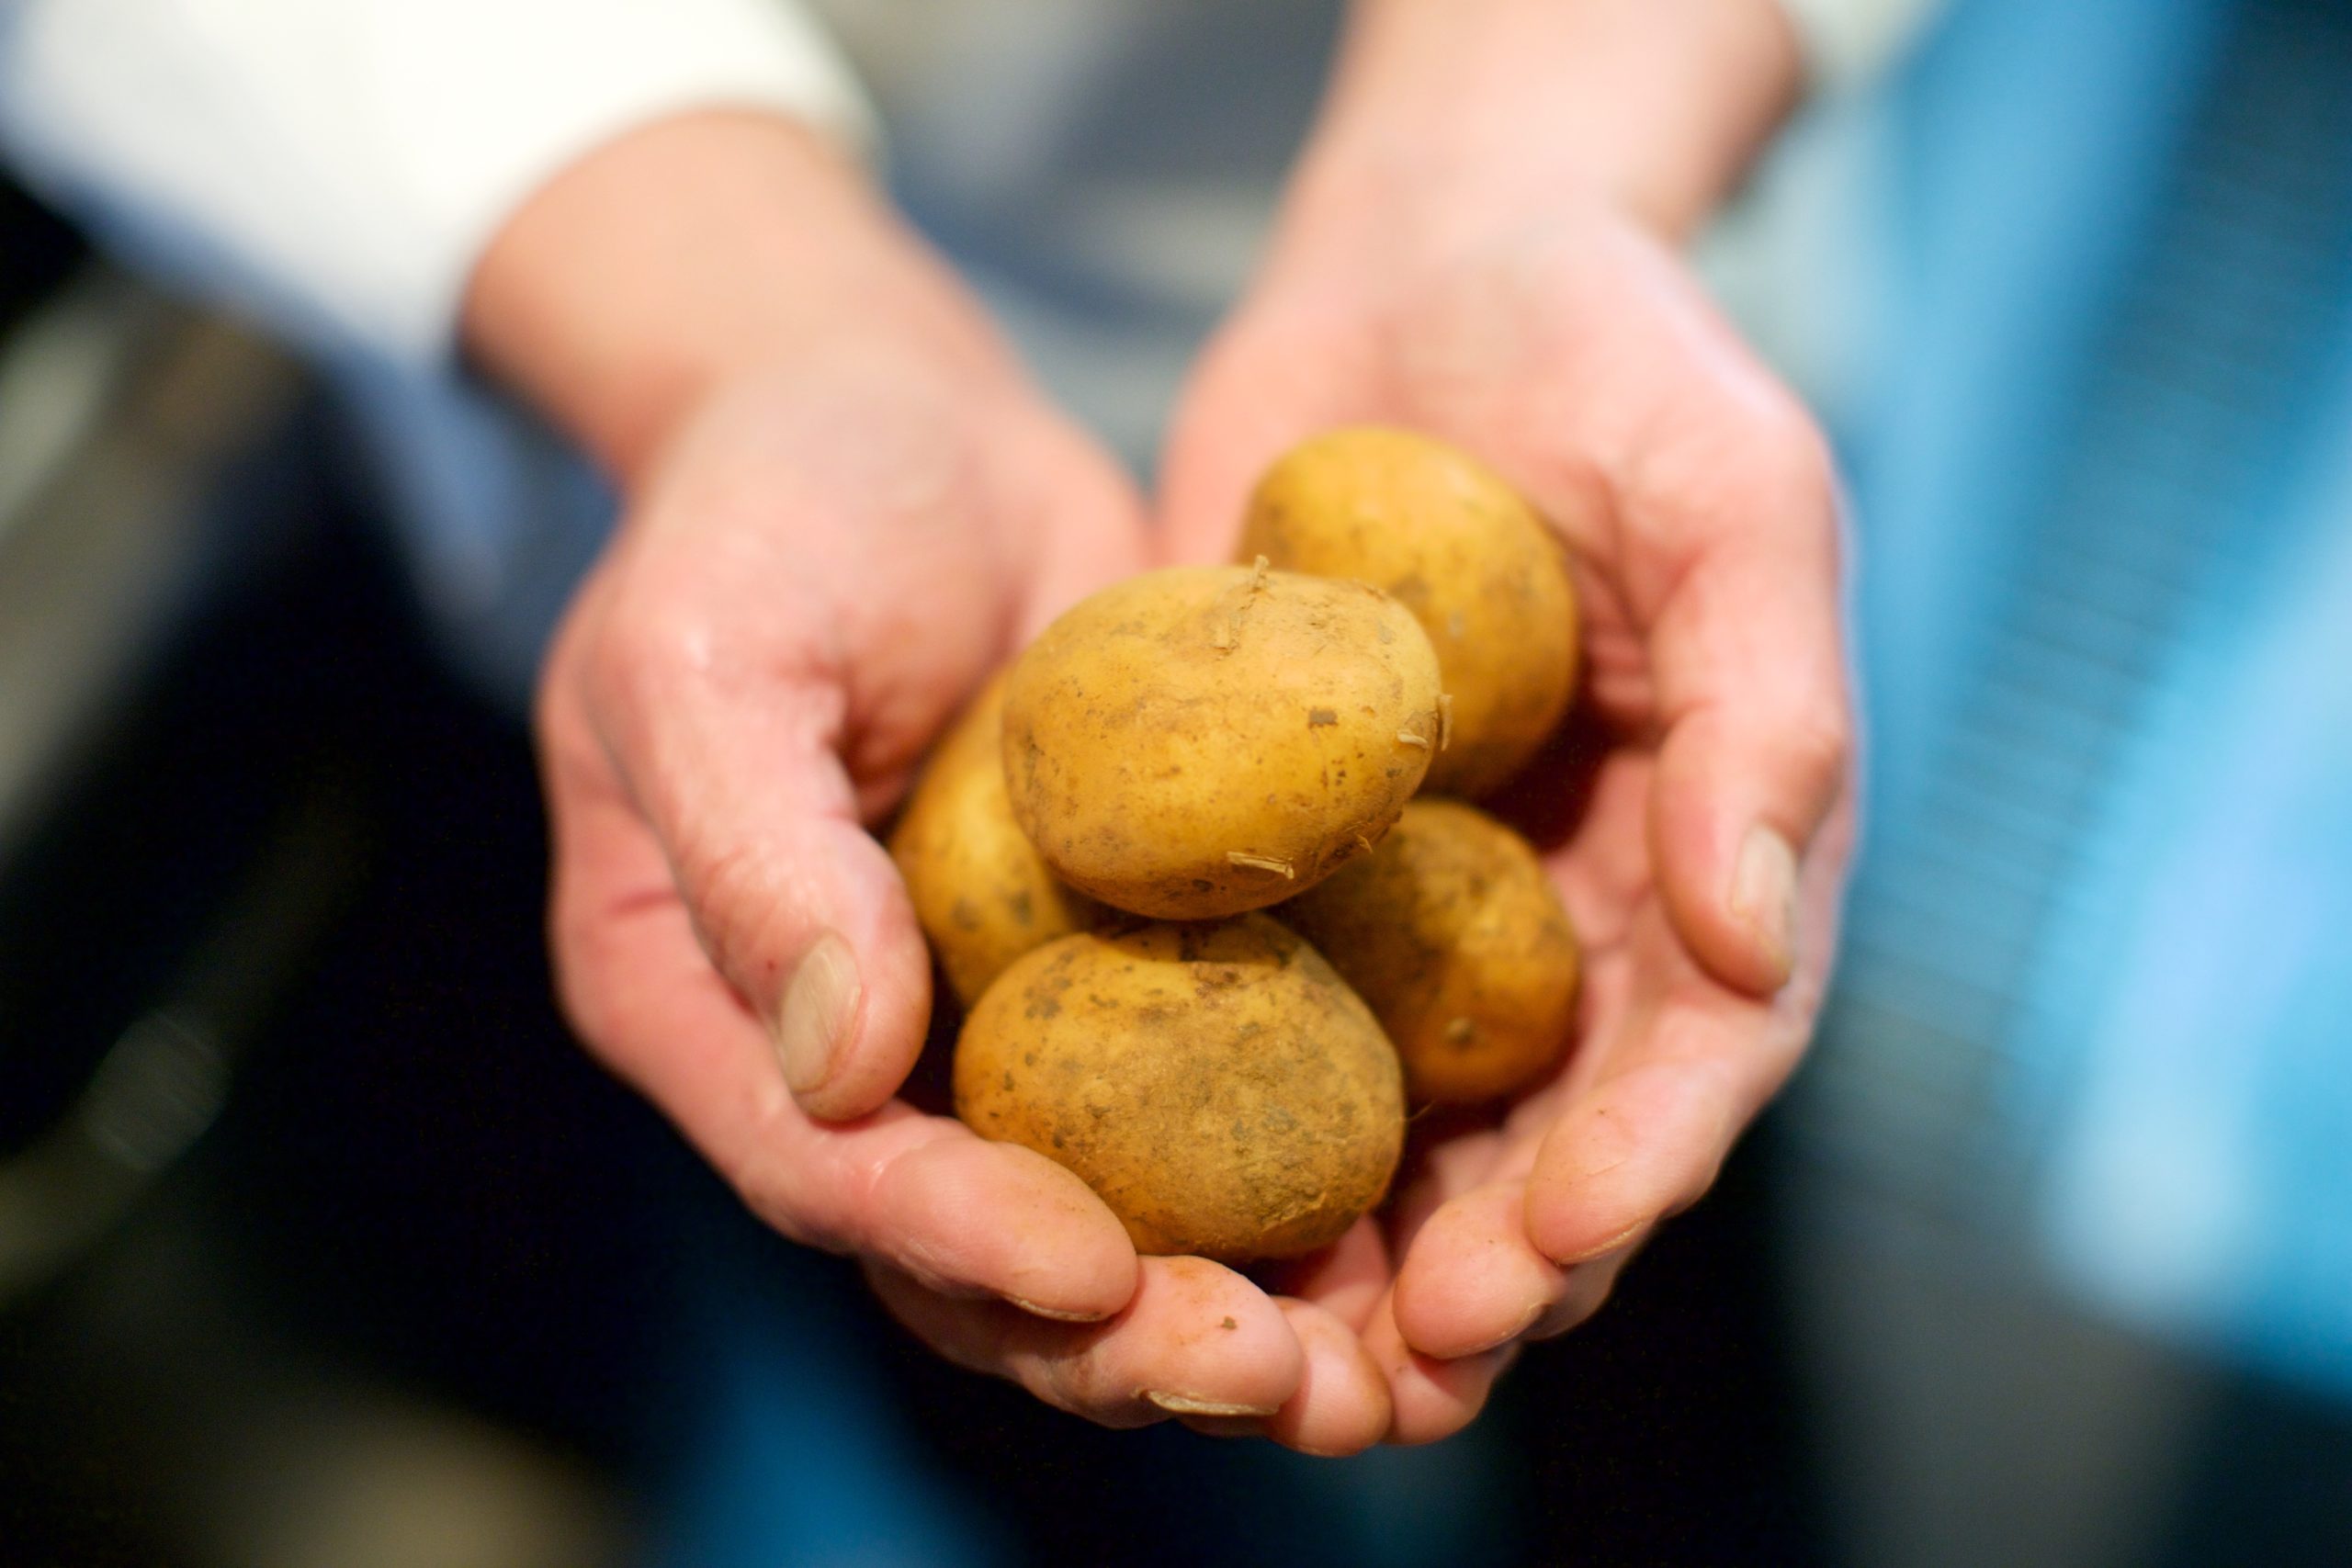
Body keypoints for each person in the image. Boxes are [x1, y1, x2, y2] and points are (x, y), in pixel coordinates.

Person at [0, 0, 1888, 1460]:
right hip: (696, 404)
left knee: (1633, 1270)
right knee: (1000, 1306)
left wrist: (1515, 178)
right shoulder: (1056, 791)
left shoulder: (1412, 713)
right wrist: (755, 336)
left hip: (1512, 269)